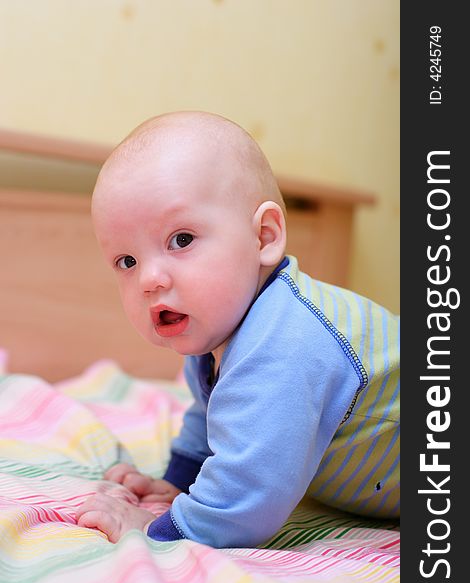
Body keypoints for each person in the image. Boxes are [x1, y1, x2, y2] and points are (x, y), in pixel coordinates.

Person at [76, 111, 400, 548]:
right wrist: (179, 483)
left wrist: (156, 531)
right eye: (127, 262)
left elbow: (250, 495)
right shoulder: (219, 334)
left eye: (182, 239)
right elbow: (213, 414)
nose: (149, 279)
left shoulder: (286, 343)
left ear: (264, 237)